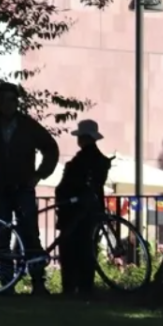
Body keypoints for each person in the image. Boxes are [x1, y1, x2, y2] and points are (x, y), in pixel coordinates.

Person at [0, 82, 60, 295]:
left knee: (30, 233)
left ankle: (38, 281)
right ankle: (6, 283)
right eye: (4, 100)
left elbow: (50, 148)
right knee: (1, 234)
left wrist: (39, 174)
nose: (8, 104)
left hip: (23, 186)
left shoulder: (28, 126)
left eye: (12, 100)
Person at [56, 119, 112, 297]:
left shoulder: (78, 163)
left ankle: (71, 287)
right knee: (88, 249)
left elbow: (65, 187)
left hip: (75, 210)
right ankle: (85, 286)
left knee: (69, 248)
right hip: (92, 210)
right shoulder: (100, 161)